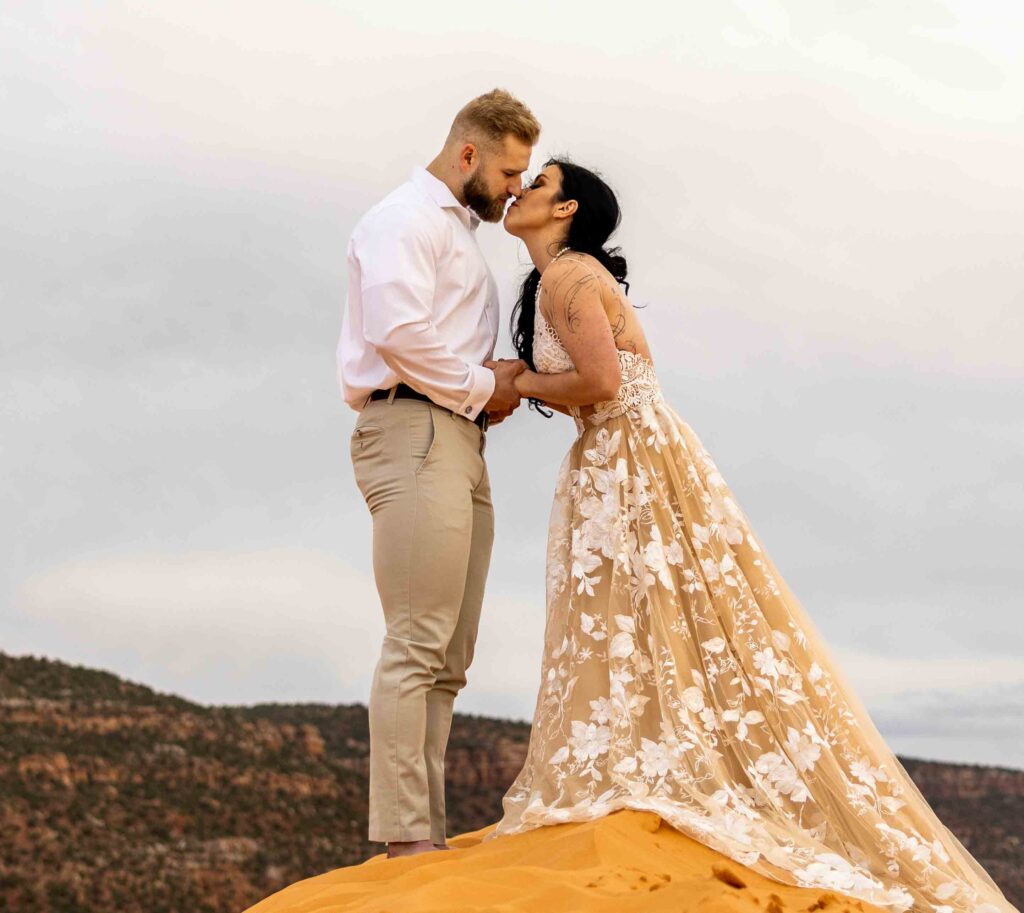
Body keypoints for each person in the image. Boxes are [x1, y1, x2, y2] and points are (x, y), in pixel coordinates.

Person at [486, 158, 1018, 913]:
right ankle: (637, 767)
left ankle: (654, 778)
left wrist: (520, 382)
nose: (521, 192)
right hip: (618, 458)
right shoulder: (557, 281)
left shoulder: (570, 278)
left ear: (566, 207)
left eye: (537, 183)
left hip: (632, 460)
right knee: (640, 615)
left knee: (650, 611)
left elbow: (602, 385)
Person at [338, 89, 538, 858]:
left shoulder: (454, 229)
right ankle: (405, 841)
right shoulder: (403, 220)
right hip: (414, 426)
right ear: (468, 156)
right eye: (509, 171)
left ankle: (426, 834)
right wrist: (486, 386)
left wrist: (486, 386)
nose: (515, 187)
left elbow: (439, 337)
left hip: (456, 436)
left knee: (449, 657)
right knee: (418, 640)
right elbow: (397, 333)